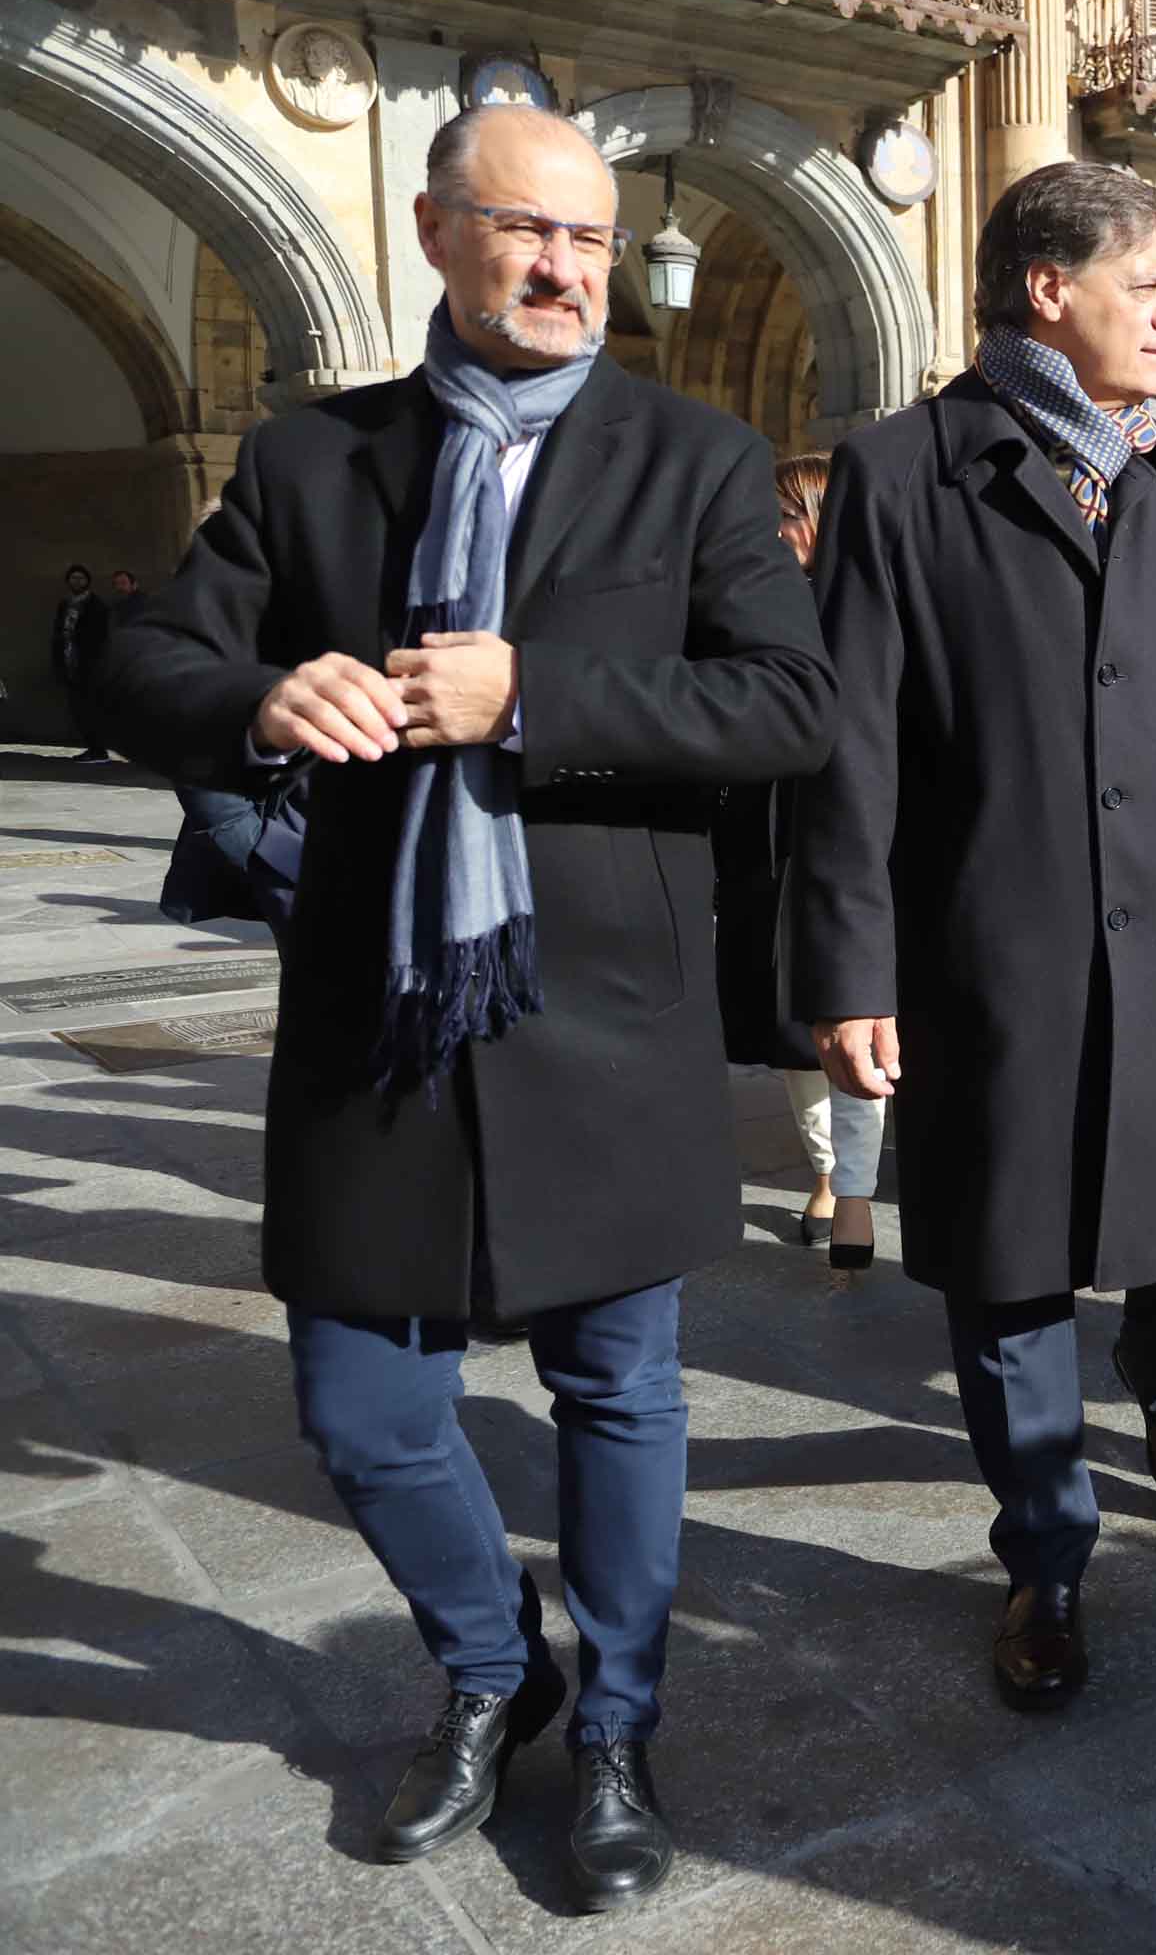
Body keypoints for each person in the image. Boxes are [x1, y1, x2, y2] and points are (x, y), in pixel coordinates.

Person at [92, 103, 833, 1911]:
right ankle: (498, 1667)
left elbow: (789, 706)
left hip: (606, 1014)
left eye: (590, 237)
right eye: (527, 229)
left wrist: (536, 695)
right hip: (380, 1012)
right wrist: (259, 700)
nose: (565, 267)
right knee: (360, 1410)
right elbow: (143, 658)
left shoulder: (696, 458)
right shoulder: (312, 458)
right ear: (436, 232)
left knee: (617, 1394)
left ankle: (621, 1729)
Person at [792, 163, 1156, 1713]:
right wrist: (851, 969)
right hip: (992, 945)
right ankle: (1045, 1556)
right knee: (1005, 1264)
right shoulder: (899, 474)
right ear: (1047, 291)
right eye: (1153, 285)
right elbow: (851, 744)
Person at [713, 454, 888, 1269]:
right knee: (793, 1030)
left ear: (819, 519)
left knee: (856, 1009)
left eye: (784, 516)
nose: (772, 533)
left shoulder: (865, 605)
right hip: (766, 840)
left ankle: (851, 1192)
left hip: (848, 836)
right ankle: (826, 1172)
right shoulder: (752, 606)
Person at [50, 563, 113, 762]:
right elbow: (59, 631)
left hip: (89, 663)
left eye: (81, 578)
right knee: (77, 708)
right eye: (73, 578)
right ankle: (93, 748)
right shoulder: (65, 603)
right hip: (69, 661)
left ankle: (98, 749)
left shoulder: (96, 604)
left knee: (90, 708)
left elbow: (100, 635)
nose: (77, 581)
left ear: (87, 581)